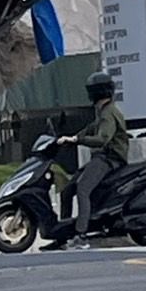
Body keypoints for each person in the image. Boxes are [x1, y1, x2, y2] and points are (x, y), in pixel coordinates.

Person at [56, 71, 129, 250]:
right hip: (101, 157)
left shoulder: (108, 113)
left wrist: (78, 140)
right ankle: (64, 233)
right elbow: (90, 128)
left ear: (96, 92)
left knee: (83, 190)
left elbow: (102, 138)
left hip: (110, 159)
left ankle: (81, 235)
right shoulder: (102, 110)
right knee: (67, 190)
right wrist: (72, 137)